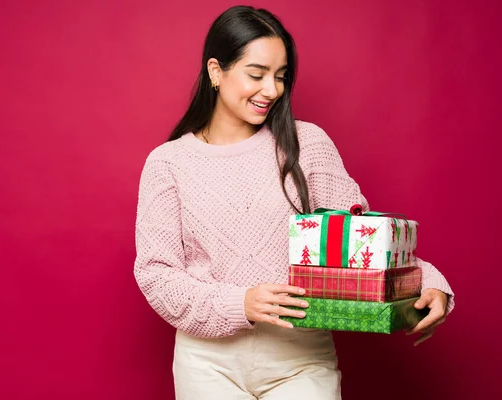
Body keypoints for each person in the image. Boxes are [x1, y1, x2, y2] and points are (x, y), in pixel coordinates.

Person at [134, 5, 454, 399]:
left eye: (280, 76)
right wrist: (241, 303)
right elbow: (156, 274)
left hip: (300, 358)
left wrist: (433, 284)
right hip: (206, 363)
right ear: (216, 71)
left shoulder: (308, 145)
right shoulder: (168, 163)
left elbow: (362, 241)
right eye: (257, 74)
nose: (272, 90)